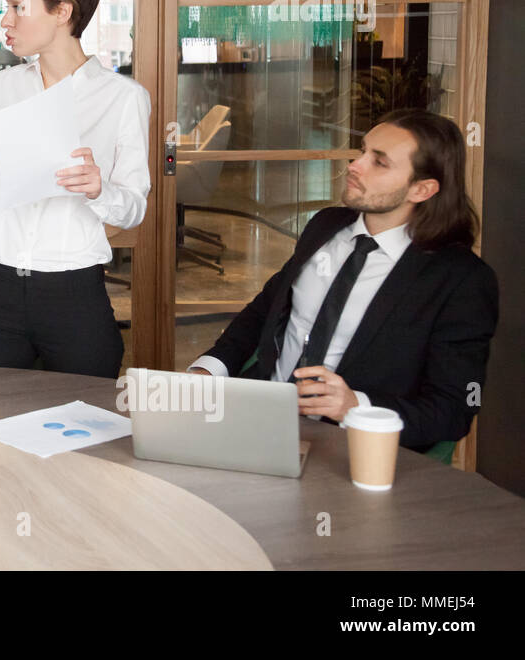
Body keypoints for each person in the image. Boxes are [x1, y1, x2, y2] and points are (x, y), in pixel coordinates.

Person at [189, 109, 497, 452]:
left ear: (422, 189)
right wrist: (211, 369)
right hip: (256, 420)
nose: (355, 165)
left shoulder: (462, 281)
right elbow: (265, 311)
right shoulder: (325, 226)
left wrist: (354, 407)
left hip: (350, 451)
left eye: (379, 162)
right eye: (362, 151)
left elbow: (455, 410)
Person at [0, 0, 151, 377]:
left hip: (73, 293)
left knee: (87, 425)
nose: (6, 21)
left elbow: (133, 208)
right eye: (7, 7)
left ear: (63, 11)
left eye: (18, 6)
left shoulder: (124, 99)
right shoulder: (3, 87)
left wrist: (98, 189)